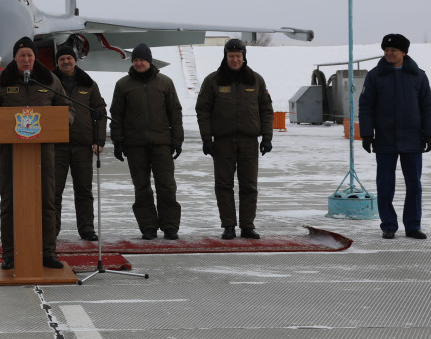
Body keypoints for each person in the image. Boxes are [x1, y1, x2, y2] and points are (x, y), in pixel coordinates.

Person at [0, 36, 69, 270]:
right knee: (9, 202)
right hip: (11, 152)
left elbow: (67, 109)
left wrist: (63, 121)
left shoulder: (49, 80)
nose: (26, 60)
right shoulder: (2, 81)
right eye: (21, 56)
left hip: (44, 152)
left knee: (47, 200)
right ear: (15, 59)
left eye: (29, 55)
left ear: (35, 58)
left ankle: (48, 252)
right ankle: (10, 254)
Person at [358, 33, 431, 240]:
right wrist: (367, 134)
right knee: (385, 185)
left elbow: (428, 106)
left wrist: (430, 134)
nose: (389, 53)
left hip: (413, 139)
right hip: (385, 139)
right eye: (386, 50)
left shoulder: (418, 76)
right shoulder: (375, 76)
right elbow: (366, 106)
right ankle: (388, 225)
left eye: (393, 50)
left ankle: (413, 226)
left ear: (403, 52)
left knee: (414, 185)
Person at [195, 38, 274, 240]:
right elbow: (203, 110)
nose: (235, 59)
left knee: (249, 186)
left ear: (244, 57)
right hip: (223, 142)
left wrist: (267, 137)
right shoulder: (213, 80)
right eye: (231, 56)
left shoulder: (256, 80)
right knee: (224, 185)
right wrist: (206, 139)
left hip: (249, 142)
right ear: (226, 56)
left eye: (238, 56)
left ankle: (247, 225)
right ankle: (228, 225)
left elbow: (266, 109)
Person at [110, 43, 184, 240]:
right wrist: (117, 141)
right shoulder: (123, 85)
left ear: (149, 61)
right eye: (135, 60)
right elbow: (116, 114)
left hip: (161, 143)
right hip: (135, 145)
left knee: (166, 186)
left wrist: (177, 139)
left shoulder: (165, 83)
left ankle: (170, 226)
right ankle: (148, 226)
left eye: (142, 59)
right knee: (141, 188)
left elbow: (175, 112)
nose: (138, 63)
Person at [51, 44, 107, 241]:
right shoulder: (49, 82)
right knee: (53, 191)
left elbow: (100, 111)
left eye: (69, 58)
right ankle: (51, 229)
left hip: (82, 146)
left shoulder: (88, 83)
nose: (66, 62)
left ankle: (86, 228)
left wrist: (99, 139)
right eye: (62, 59)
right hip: (56, 146)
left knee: (84, 190)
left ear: (75, 60)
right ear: (57, 62)